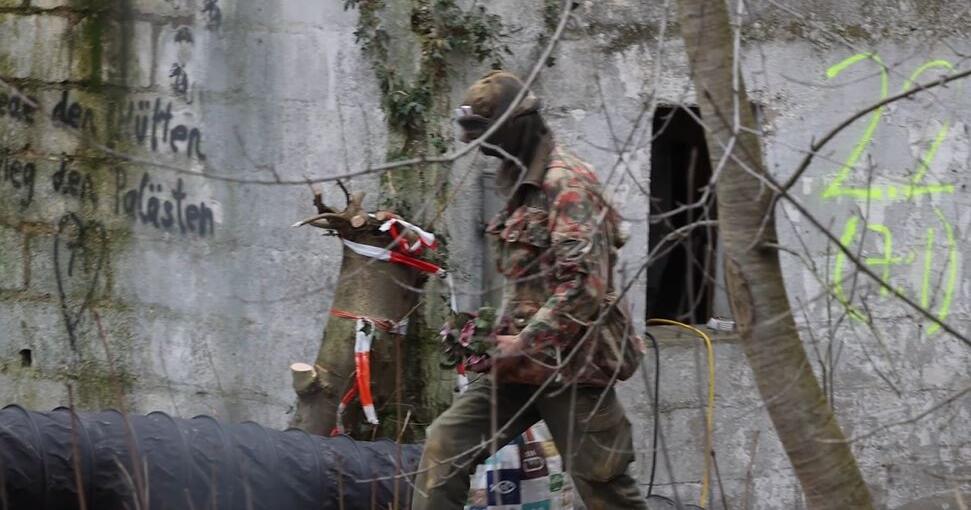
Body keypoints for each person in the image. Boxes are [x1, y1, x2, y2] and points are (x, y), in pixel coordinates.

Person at [412, 70, 648, 510]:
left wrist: (523, 341)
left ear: (519, 126)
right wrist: (484, 336)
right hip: (519, 368)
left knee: (604, 488)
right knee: (445, 445)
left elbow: (584, 287)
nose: (485, 149)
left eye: (492, 136)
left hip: (574, 369)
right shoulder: (519, 182)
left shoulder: (567, 183)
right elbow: (529, 283)